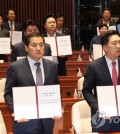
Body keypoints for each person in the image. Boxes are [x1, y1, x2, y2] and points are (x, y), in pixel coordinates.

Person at [4, 33, 60, 134]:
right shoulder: (15, 67)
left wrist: (56, 108)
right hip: (25, 122)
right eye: (34, 45)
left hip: (47, 123)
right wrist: (16, 110)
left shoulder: (52, 66)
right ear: (26, 48)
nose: (38, 48)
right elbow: (8, 94)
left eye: (41, 45)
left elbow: (56, 90)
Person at [82, 30, 120, 132]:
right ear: (105, 48)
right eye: (114, 43)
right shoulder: (93, 66)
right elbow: (86, 91)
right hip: (102, 118)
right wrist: (98, 107)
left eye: (119, 42)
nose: (118, 46)